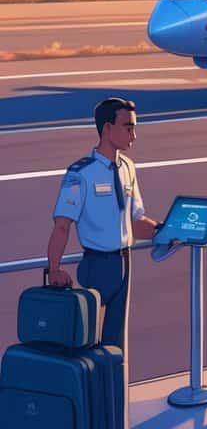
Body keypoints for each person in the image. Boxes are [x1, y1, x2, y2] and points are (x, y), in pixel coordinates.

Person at [47, 97, 161, 350]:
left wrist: (164, 231)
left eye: (134, 127)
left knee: (117, 343)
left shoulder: (128, 168)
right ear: (107, 129)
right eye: (128, 127)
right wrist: (54, 269)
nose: (134, 135)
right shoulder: (81, 173)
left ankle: (115, 388)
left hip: (124, 263)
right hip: (97, 264)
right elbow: (62, 225)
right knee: (88, 341)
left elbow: (135, 221)